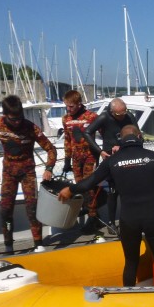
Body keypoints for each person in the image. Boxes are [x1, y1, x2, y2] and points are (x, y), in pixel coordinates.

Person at [58, 124, 154, 286]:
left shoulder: (112, 161)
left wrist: (70, 190)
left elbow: (89, 183)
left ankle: (127, 301)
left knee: (131, 263)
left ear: (120, 139)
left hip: (129, 220)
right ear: (140, 136)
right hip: (153, 217)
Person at [0, 95, 57, 252]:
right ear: (5, 115)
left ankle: (38, 244)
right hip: (9, 172)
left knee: (32, 208)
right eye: (13, 119)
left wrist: (49, 168)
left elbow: (51, 149)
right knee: (5, 210)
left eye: (19, 118)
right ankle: (8, 246)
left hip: (27, 172)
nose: (17, 122)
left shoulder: (31, 128)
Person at [82, 98, 138, 233]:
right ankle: (112, 223)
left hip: (126, 154)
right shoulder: (104, 117)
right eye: (119, 114)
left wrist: (124, 145)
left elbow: (138, 135)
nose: (122, 116)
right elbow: (87, 132)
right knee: (113, 190)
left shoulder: (129, 117)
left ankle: (132, 219)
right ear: (112, 112)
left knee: (129, 189)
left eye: (124, 112)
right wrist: (100, 151)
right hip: (110, 156)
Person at [60, 90, 99, 233]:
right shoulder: (66, 119)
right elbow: (67, 140)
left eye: (71, 107)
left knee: (89, 186)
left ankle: (93, 218)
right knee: (79, 186)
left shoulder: (92, 117)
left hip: (90, 156)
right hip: (76, 157)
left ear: (79, 104)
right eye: (67, 106)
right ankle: (91, 212)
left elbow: (105, 132)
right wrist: (66, 160)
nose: (69, 109)